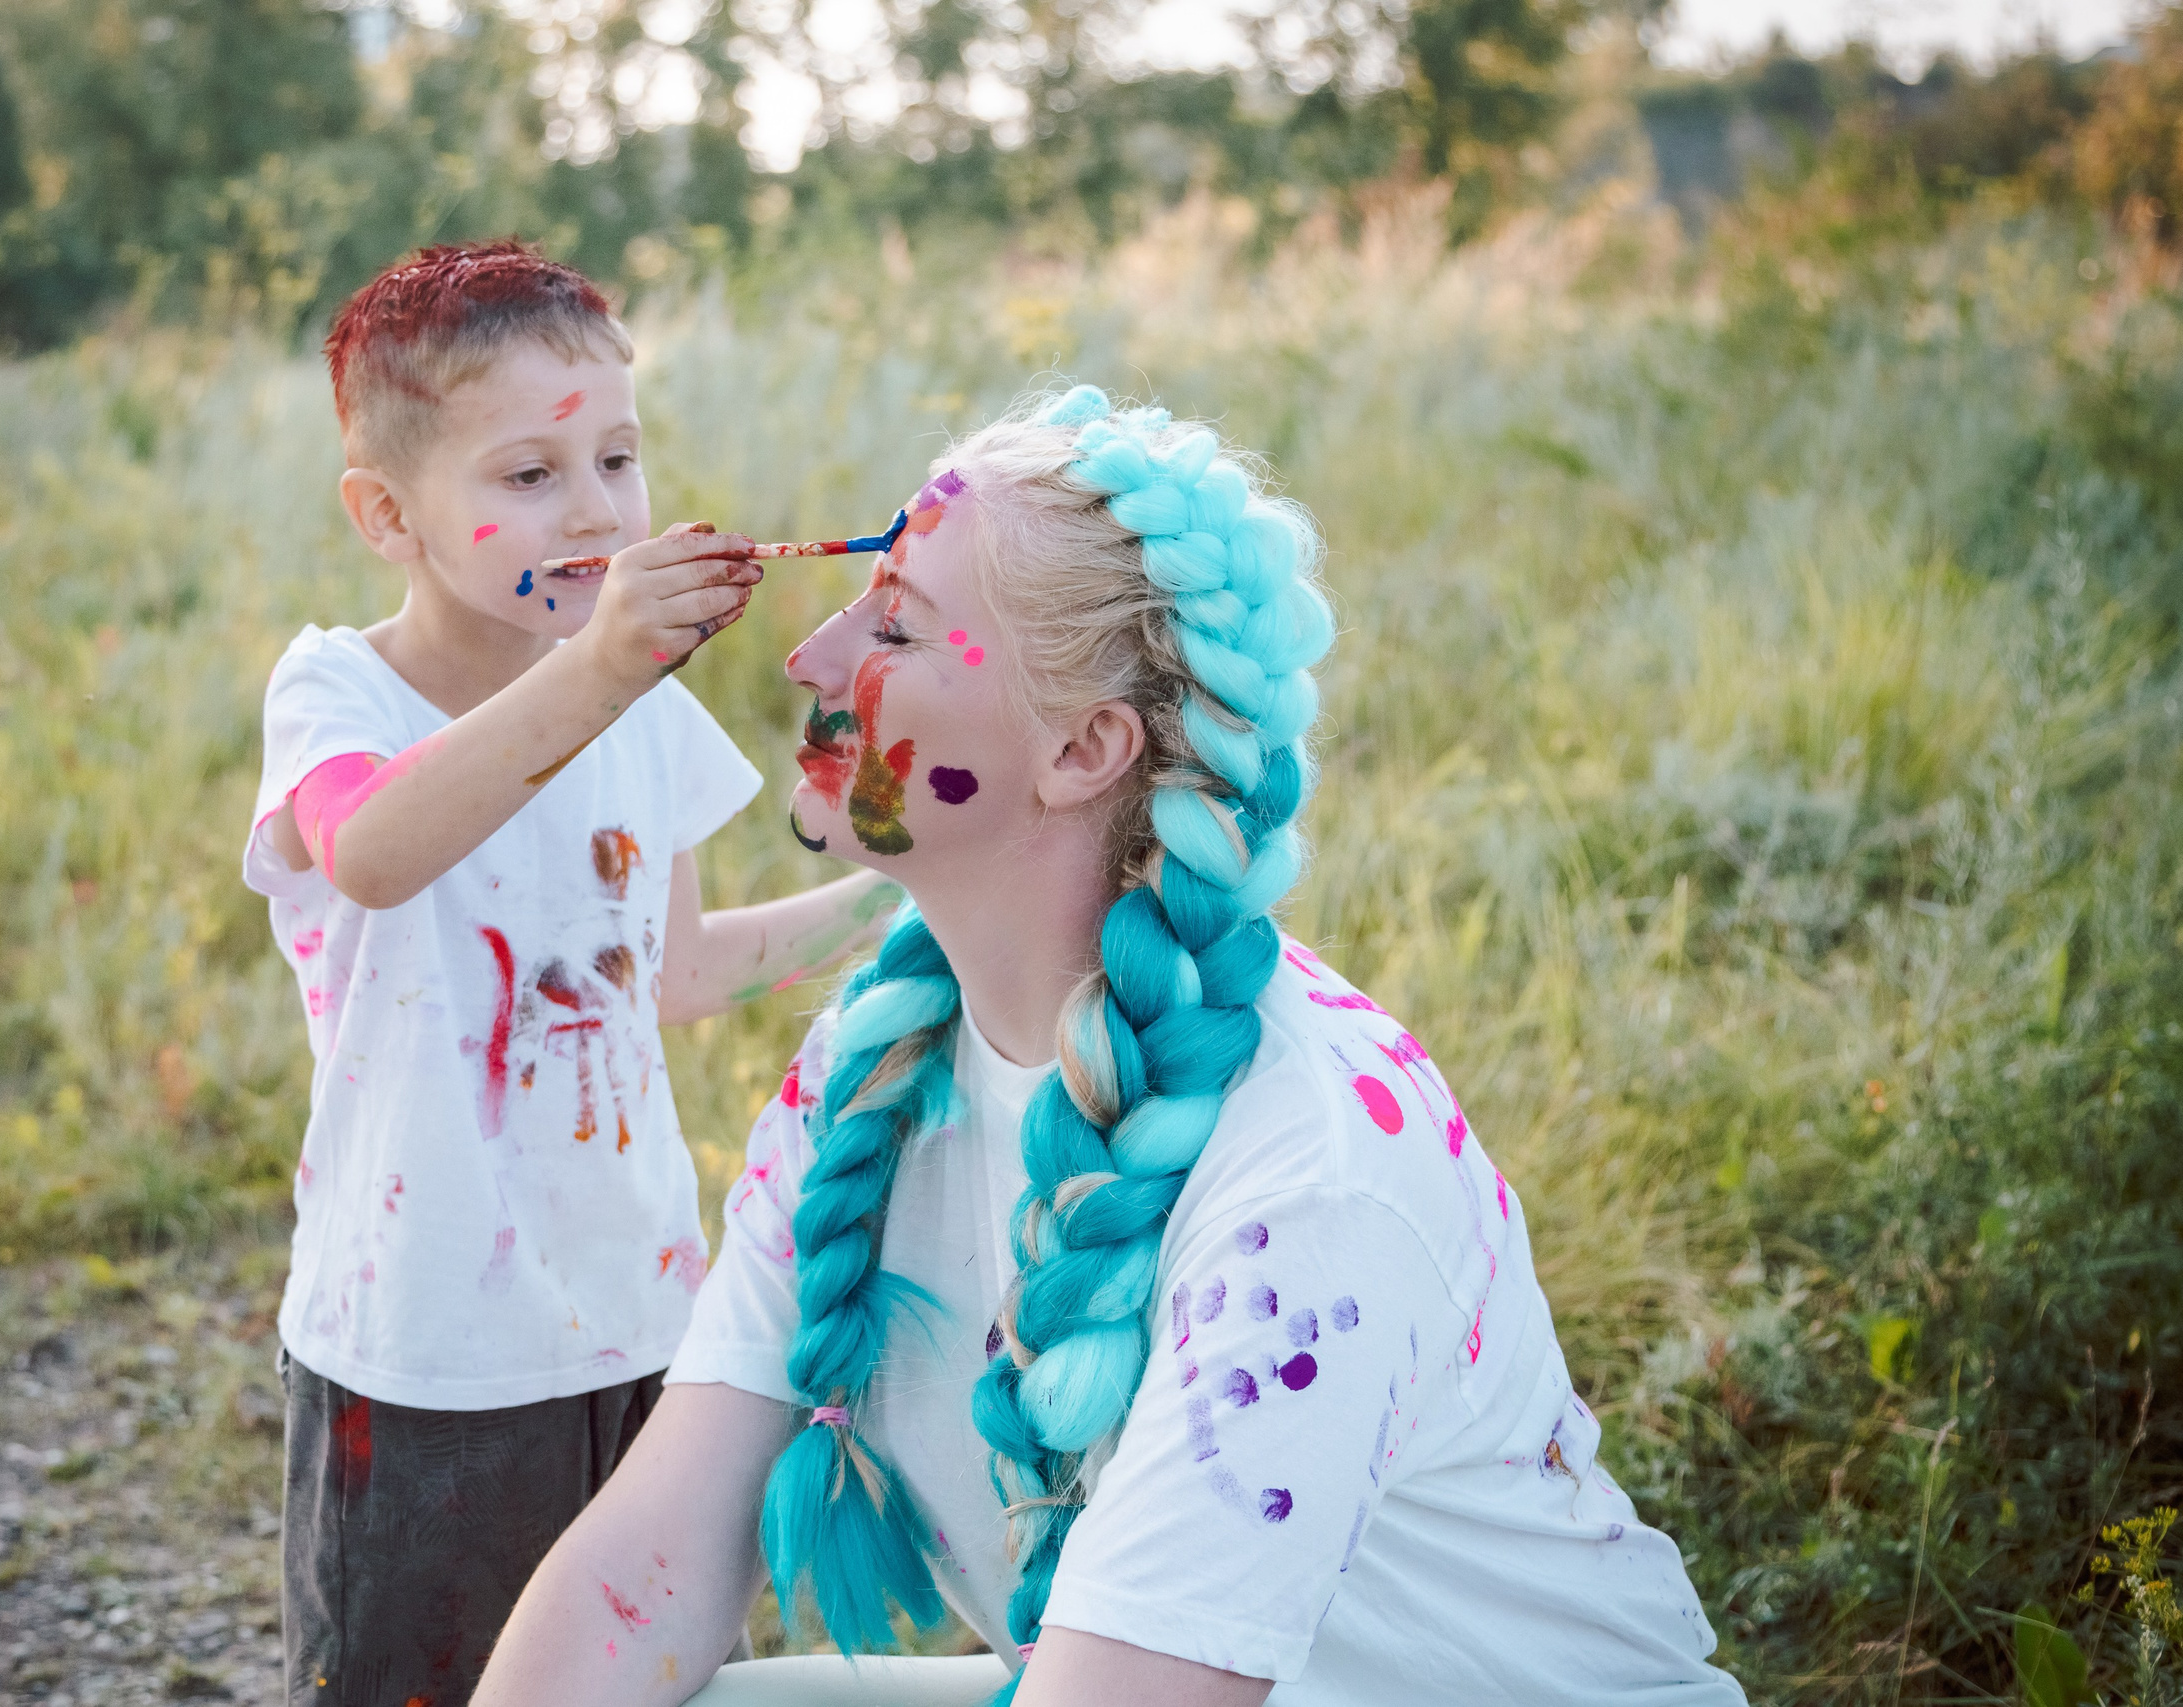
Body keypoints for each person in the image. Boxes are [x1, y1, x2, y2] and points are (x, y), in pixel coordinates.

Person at [472, 385, 1747, 1706]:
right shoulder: (875, 1056)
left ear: (1084, 749)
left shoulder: (1307, 1181)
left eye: (894, 626)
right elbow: (653, 1559)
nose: (809, 656)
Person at [242, 240, 897, 1707]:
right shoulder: (338, 689)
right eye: (528, 476)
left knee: (644, 1684)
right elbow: (370, 853)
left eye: (617, 456)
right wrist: (602, 671)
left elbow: (666, 973)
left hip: (645, 1326)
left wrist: (887, 902)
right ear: (388, 516)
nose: (598, 509)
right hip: (419, 1355)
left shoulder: (643, 713)